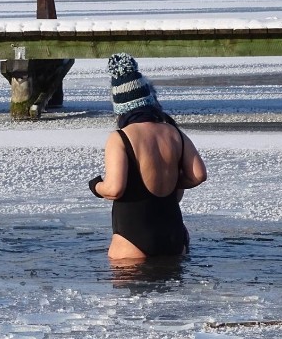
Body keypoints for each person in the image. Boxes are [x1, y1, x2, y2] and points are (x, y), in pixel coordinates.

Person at [88, 53, 207, 262]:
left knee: (130, 292)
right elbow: (198, 175)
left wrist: (96, 186)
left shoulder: (121, 137)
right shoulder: (173, 132)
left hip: (132, 240)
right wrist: (171, 180)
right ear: (149, 99)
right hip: (173, 237)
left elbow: (115, 189)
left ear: (120, 107)